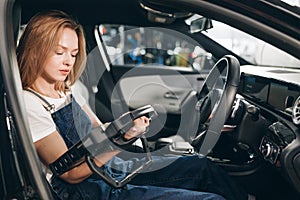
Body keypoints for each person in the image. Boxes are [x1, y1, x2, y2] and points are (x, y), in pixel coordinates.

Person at [17, 10, 249, 200]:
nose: (69, 61)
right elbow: (70, 173)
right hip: (86, 191)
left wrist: (126, 128)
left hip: (108, 169)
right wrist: (122, 141)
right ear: (36, 50)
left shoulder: (64, 88)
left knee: (200, 166)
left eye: (75, 54)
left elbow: (99, 131)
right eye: (60, 52)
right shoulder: (30, 104)